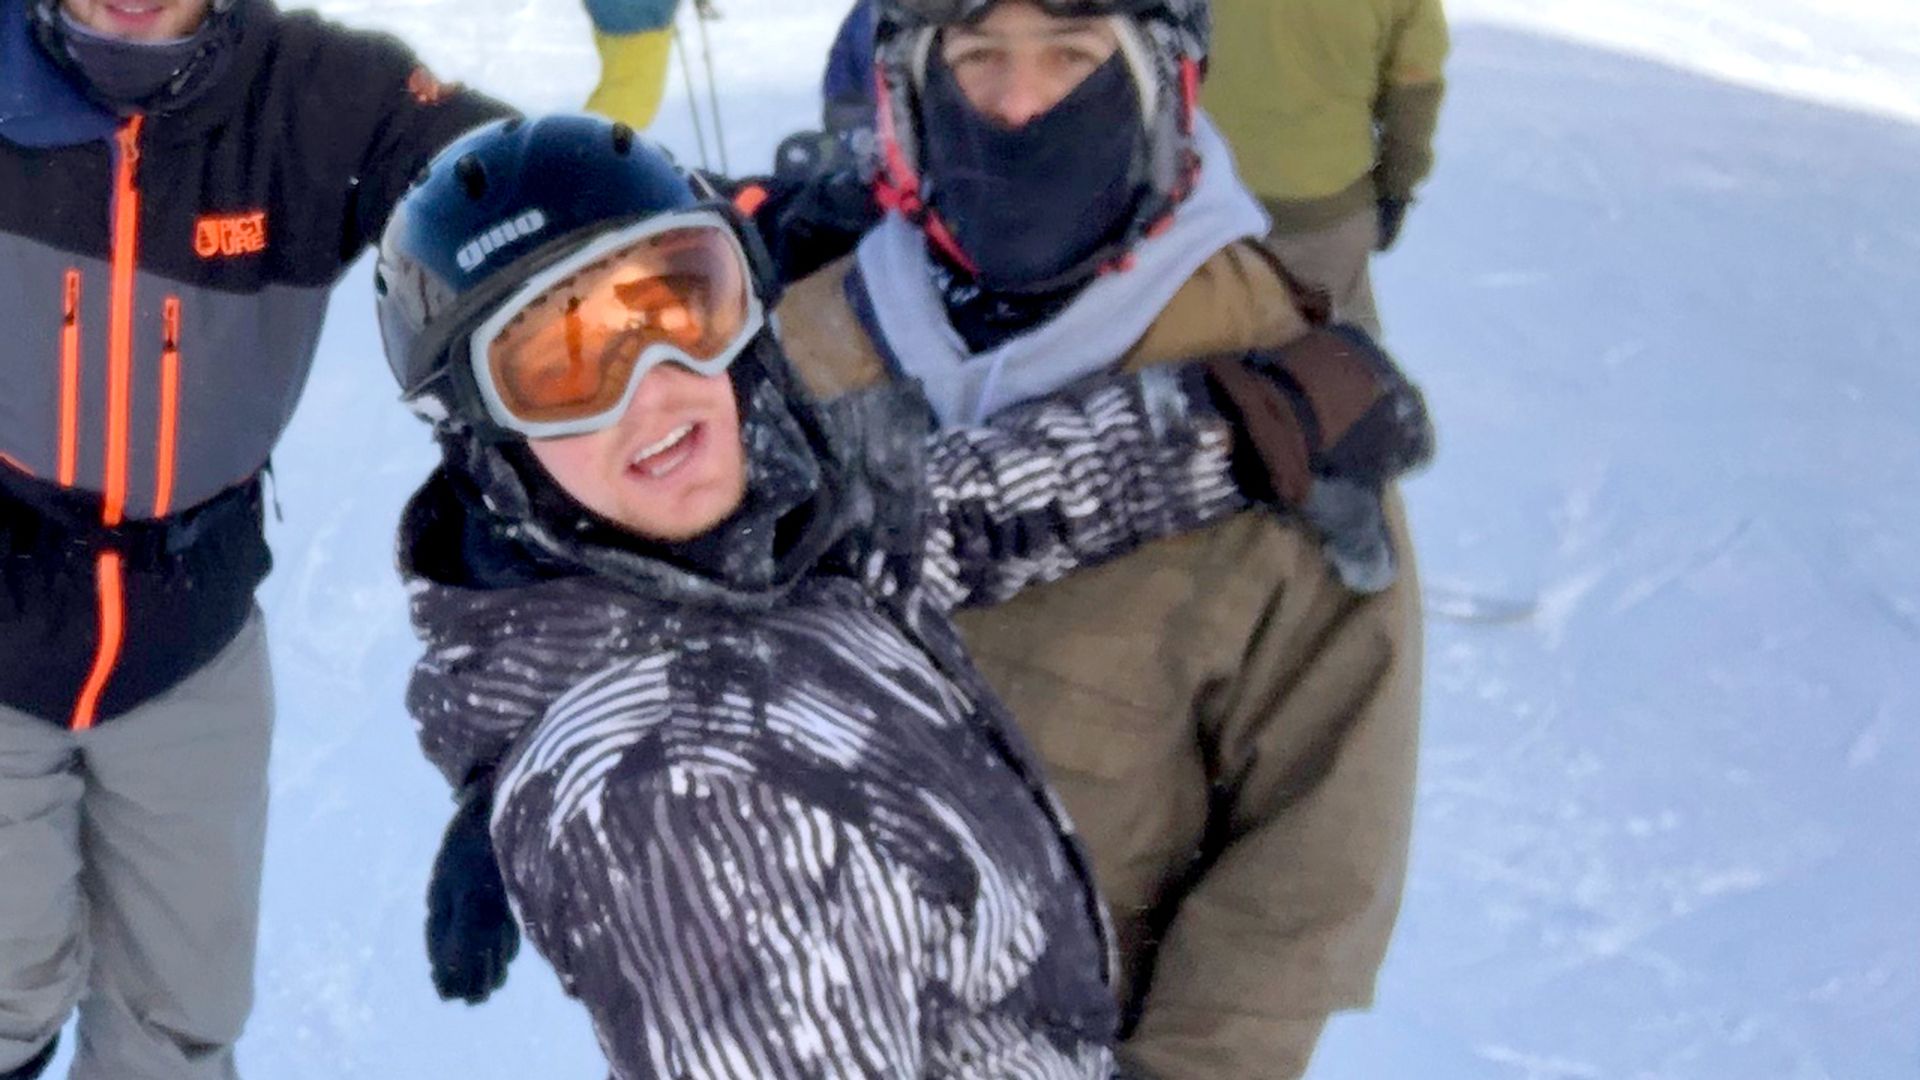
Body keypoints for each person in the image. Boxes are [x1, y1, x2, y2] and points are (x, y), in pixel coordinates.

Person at [379, 113, 1431, 1078]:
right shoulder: (687, 804)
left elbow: (966, 505)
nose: (653, 380)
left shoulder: (755, 537)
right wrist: (606, 760)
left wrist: (1252, 418)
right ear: (483, 440)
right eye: (563, 363)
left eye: (677, 299)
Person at [769, 1, 1429, 1076]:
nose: (1022, 104)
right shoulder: (804, 341)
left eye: (1072, 57)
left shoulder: (1282, 405)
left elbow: (1317, 847)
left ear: (1161, 84)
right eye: (979, 59)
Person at [0, 1, 510, 1075]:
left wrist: (669, 241)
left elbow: (513, 190)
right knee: (4, 980)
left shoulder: (323, 95)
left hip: (192, 644)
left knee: (182, 1016)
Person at [1205, 0, 1449, 336]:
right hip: (1324, 211)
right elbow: (1414, 91)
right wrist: (1396, 187)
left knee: (1195, 366)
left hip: (1204, 204)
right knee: (1338, 365)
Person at [580, 0, 683, 129]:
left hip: (619, 12)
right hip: (641, 16)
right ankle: (589, 145)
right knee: (631, 101)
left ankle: (581, 140)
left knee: (618, 89)